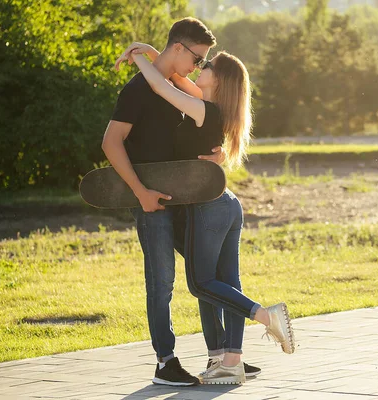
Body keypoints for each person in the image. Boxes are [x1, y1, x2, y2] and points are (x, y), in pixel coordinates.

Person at [122, 44, 296, 385]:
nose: (201, 66)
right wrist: (159, 53)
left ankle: (266, 316)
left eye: (208, 64)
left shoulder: (204, 111)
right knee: (226, 282)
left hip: (208, 208)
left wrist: (137, 58)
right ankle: (230, 360)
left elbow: (160, 86)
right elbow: (173, 76)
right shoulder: (209, 105)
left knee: (201, 283)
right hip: (227, 204)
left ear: (219, 80)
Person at [102, 18, 223, 387]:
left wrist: (214, 157)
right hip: (152, 203)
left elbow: (203, 104)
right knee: (162, 283)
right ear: (179, 48)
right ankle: (165, 363)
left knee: (207, 275)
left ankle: (221, 356)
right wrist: (140, 192)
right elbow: (111, 143)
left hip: (186, 200)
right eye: (197, 59)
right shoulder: (136, 91)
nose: (198, 67)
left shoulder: (171, 84)